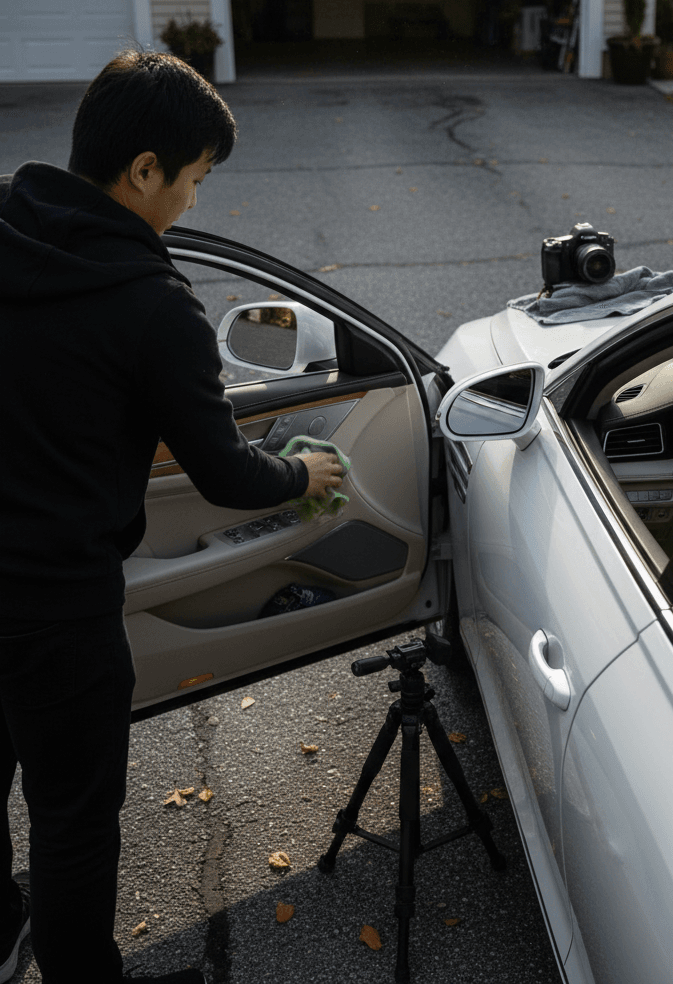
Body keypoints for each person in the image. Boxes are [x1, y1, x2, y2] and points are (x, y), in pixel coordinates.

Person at [0, 50, 345, 984]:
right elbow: (229, 476)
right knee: (73, 818)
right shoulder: (155, 308)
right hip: (54, 606)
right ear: (144, 169)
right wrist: (302, 470)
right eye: (192, 179)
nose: (192, 202)